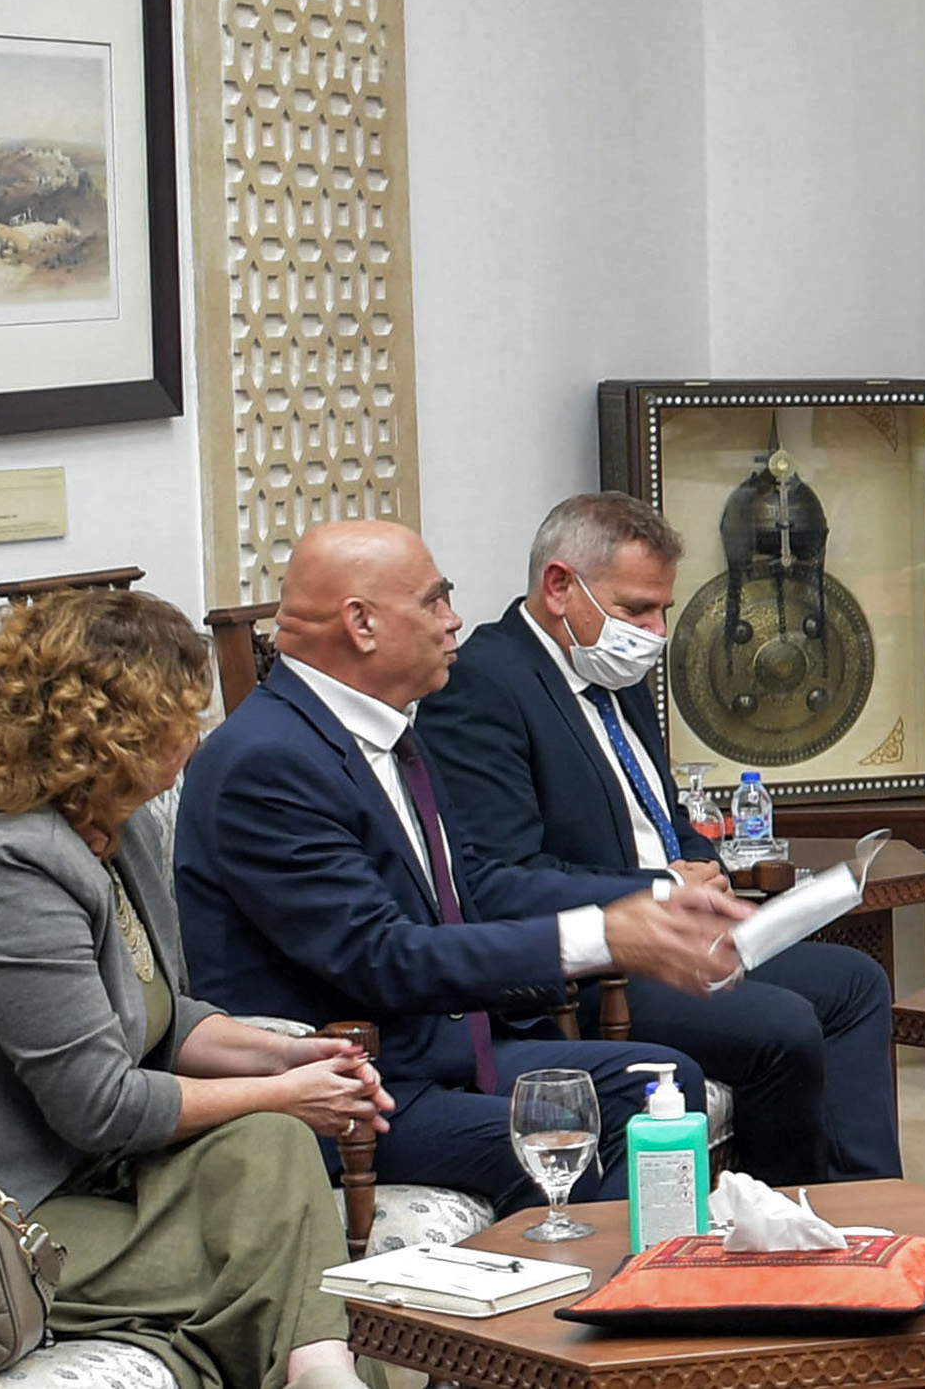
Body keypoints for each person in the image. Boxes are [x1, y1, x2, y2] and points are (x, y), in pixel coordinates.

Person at [175, 519, 755, 1214]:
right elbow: (380, 953)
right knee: (566, 1140)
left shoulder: (388, 730)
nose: (454, 620)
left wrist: (646, 900)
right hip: (358, 1093)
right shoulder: (266, 761)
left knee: (659, 1082)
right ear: (361, 623)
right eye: (433, 600)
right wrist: (604, 938)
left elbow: (470, 882)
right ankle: (582, 1306)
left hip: (443, 1056)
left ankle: (643, 1290)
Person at [0, 588, 394, 1389]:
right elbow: (100, 1104)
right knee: (285, 1266)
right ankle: (325, 1370)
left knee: (270, 1145)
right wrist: (284, 1091)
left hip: (110, 1176)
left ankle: (317, 1368)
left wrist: (289, 1053)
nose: (199, 734)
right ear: (115, 731)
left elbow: (164, 1015)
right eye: (183, 713)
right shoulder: (1, 866)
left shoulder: (126, 826)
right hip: (1, 1219)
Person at [416, 491, 901, 1183]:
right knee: (782, 1024)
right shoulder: (484, 685)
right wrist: (660, 889)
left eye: (664, 609)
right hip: (597, 969)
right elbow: (496, 878)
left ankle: (870, 1207)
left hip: (681, 934)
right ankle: (784, 1232)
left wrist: (702, 871)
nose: (657, 630)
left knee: (856, 982)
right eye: (637, 609)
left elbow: (668, 814)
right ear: (560, 586)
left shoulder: (613, 669)